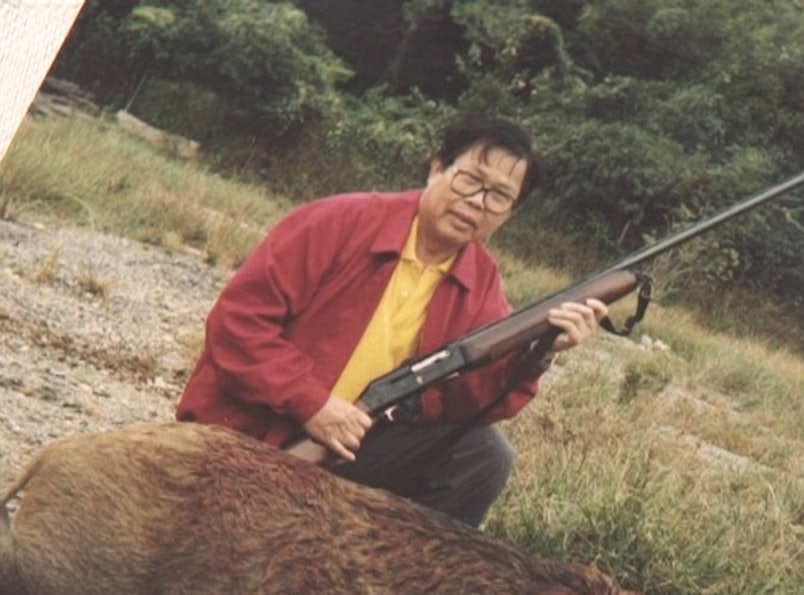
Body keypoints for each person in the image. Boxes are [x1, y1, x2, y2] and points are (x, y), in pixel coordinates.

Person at [175, 116, 608, 528]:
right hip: (252, 432)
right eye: (470, 179)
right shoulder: (339, 221)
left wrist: (540, 352)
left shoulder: (483, 283)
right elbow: (239, 323)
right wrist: (313, 405)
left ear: (508, 215)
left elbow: (470, 401)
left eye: (498, 196)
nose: (476, 201)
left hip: (350, 449)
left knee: (485, 456)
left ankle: (394, 589)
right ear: (437, 168)